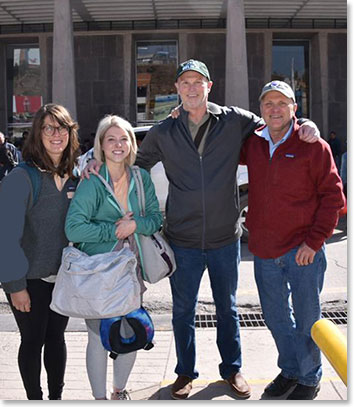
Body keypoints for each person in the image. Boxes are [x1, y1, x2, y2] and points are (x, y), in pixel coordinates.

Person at [83, 59, 320, 400]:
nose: (192, 88)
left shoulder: (234, 120)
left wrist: (306, 124)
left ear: (209, 87)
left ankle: (232, 369)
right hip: (183, 238)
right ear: (177, 89)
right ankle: (184, 373)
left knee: (228, 308)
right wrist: (99, 162)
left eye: (198, 82)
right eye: (185, 83)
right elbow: (135, 162)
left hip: (225, 236)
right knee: (182, 311)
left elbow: (276, 122)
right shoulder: (165, 130)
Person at [240, 80, 345, 400]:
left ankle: (310, 377)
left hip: (303, 251)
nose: (274, 109)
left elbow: (333, 198)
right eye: (268, 103)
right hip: (265, 249)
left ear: (294, 109)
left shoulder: (313, 146)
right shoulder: (253, 145)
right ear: (260, 110)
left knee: (307, 319)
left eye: (282, 103)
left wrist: (314, 242)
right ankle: (291, 370)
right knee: (274, 317)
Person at [65, 115, 163, 400]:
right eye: (111, 139)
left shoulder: (141, 178)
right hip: (97, 271)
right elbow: (73, 227)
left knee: (130, 330)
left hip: (131, 270)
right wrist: (114, 230)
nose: (118, 145)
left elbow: (155, 219)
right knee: (97, 336)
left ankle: (119, 392)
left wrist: (135, 225)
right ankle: (99, 399)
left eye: (124, 139)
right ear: (101, 145)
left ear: (132, 144)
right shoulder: (93, 180)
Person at [0, 104, 81, 400]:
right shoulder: (21, 178)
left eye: (62, 128)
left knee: (56, 339)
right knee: (33, 341)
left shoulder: (75, 175)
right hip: (28, 278)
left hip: (63, 277)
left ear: (71, 134)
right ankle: (34, 399)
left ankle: (56, 399)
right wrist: (16, 286)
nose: (56, 134)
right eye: (48, 127)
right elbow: (5, 237)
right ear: (38, 133)